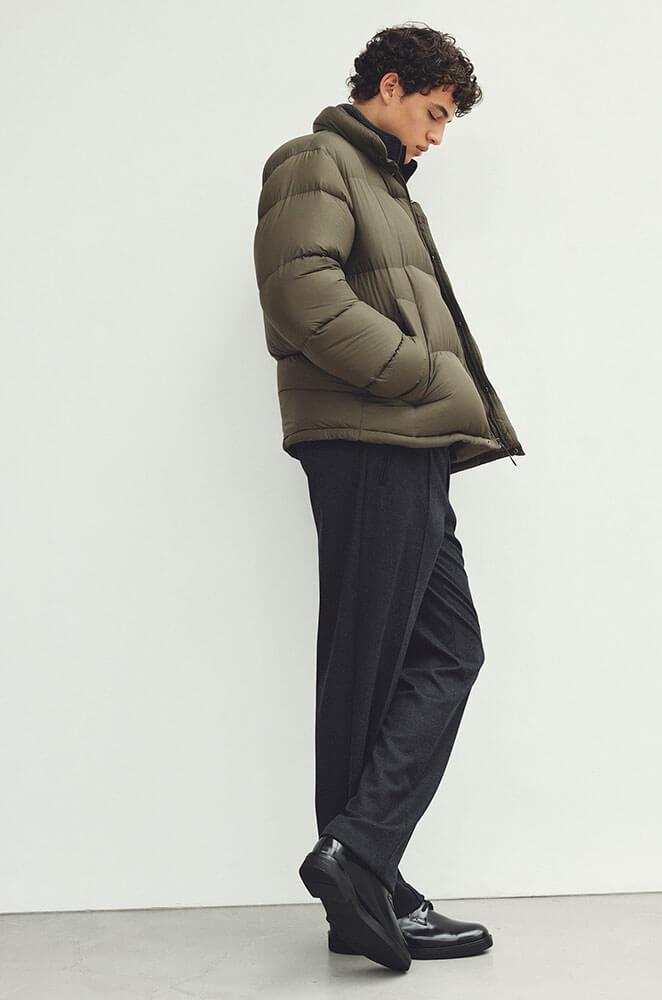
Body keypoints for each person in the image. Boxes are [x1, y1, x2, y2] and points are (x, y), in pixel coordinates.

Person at [253, 23, 524, 972]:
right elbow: (301, 296)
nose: (438, 136)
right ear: (392, 85)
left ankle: (359, 865)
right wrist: (420, 374)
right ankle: (364, 875)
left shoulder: (382, 180)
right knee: (368, 665)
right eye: (434, 114)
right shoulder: (316, 160)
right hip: (370, 441)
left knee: (447, 650)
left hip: (407, 446)